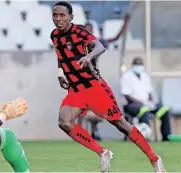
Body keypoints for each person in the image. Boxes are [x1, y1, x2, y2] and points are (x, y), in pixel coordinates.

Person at [51, 1, 166, 172]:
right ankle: (103, 152)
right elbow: (61, 56)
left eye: (62, 15)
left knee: (122, 125)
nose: (58, 19)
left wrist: (89, 57)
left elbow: (100, 46)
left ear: (71, 17)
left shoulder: (79, 31)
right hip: (75, 89)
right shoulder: (54, 36)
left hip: (94, 87)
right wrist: (61, 75)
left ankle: (155, 159)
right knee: (64, 122)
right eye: (55, 15)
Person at [77, 12, 131, 141]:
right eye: (85, 30)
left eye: (89, 30)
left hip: (94, 78)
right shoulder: (76, 44)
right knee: (81, 105)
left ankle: (94, 132)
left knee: (97, 106)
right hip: (80, 79)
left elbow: (115, 38)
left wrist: (125, 24)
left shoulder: (96, 43)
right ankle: (79, 133)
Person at [121, 57, 171, 141]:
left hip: (146, 103)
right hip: (132, 105)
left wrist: (150, 101)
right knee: (144, 110)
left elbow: (149, 92)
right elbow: (127, 96)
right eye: (137, 64)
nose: (139, 66)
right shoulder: (126, 77)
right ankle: (145, 137)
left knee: (164, 109)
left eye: (141, 64)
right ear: (133, 65)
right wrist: (141, 102)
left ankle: (166, 136)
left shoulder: (145, 76)